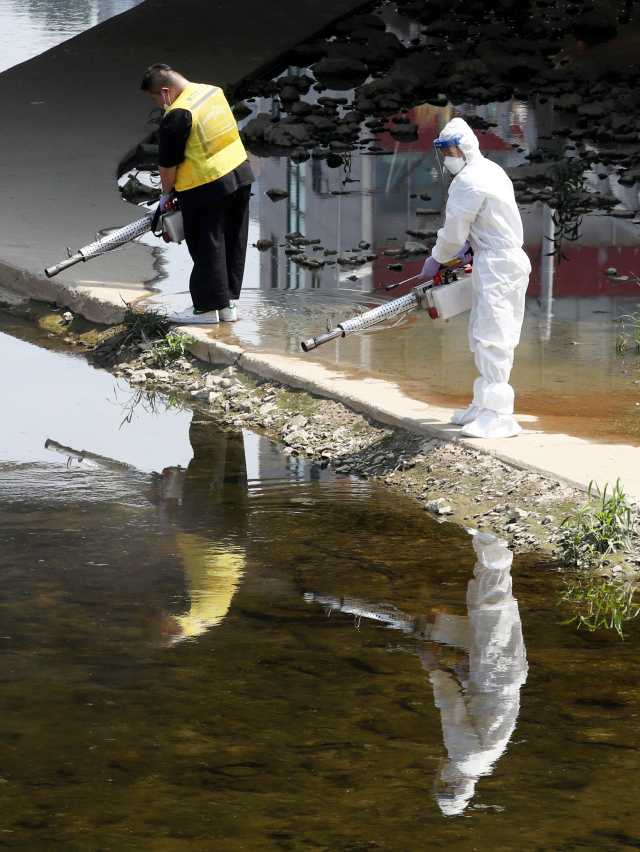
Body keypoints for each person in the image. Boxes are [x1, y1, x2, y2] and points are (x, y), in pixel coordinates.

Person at [421, 117, 531, 439]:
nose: (447, 158)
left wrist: (436, 259)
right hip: (500, 258)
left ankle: (498, 417)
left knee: (493, 336)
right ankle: (483, 405)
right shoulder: (492, 170)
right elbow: (492, 218)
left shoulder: (467, 181)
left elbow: (453, 236)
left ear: (464, 148)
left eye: (450, 151)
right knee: (484, 332)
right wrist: (476, 242)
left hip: (497, 264)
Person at [420, 531, 528, 816]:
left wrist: (467, 679)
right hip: (494, 676)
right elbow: (451, 708)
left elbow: (489, 715)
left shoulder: (483, 764)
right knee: (491, 611)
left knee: (490, 615)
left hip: (502, 678)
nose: (438, 775)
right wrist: (434, 670)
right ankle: (492, 544)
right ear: (450, 783)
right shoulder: (464, 758)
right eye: (440, 782)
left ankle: (488, 544)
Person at [141, 64, 255, 325]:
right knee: (233, 242)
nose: (159, 104)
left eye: (155, 98)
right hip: (240, 174)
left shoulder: (177, 115)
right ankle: (227, 307)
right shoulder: (212, 92)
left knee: (208, 247)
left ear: (166, 91)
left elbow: (167, 165)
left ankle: (204, 310)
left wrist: (166, 194)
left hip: (206, 186)